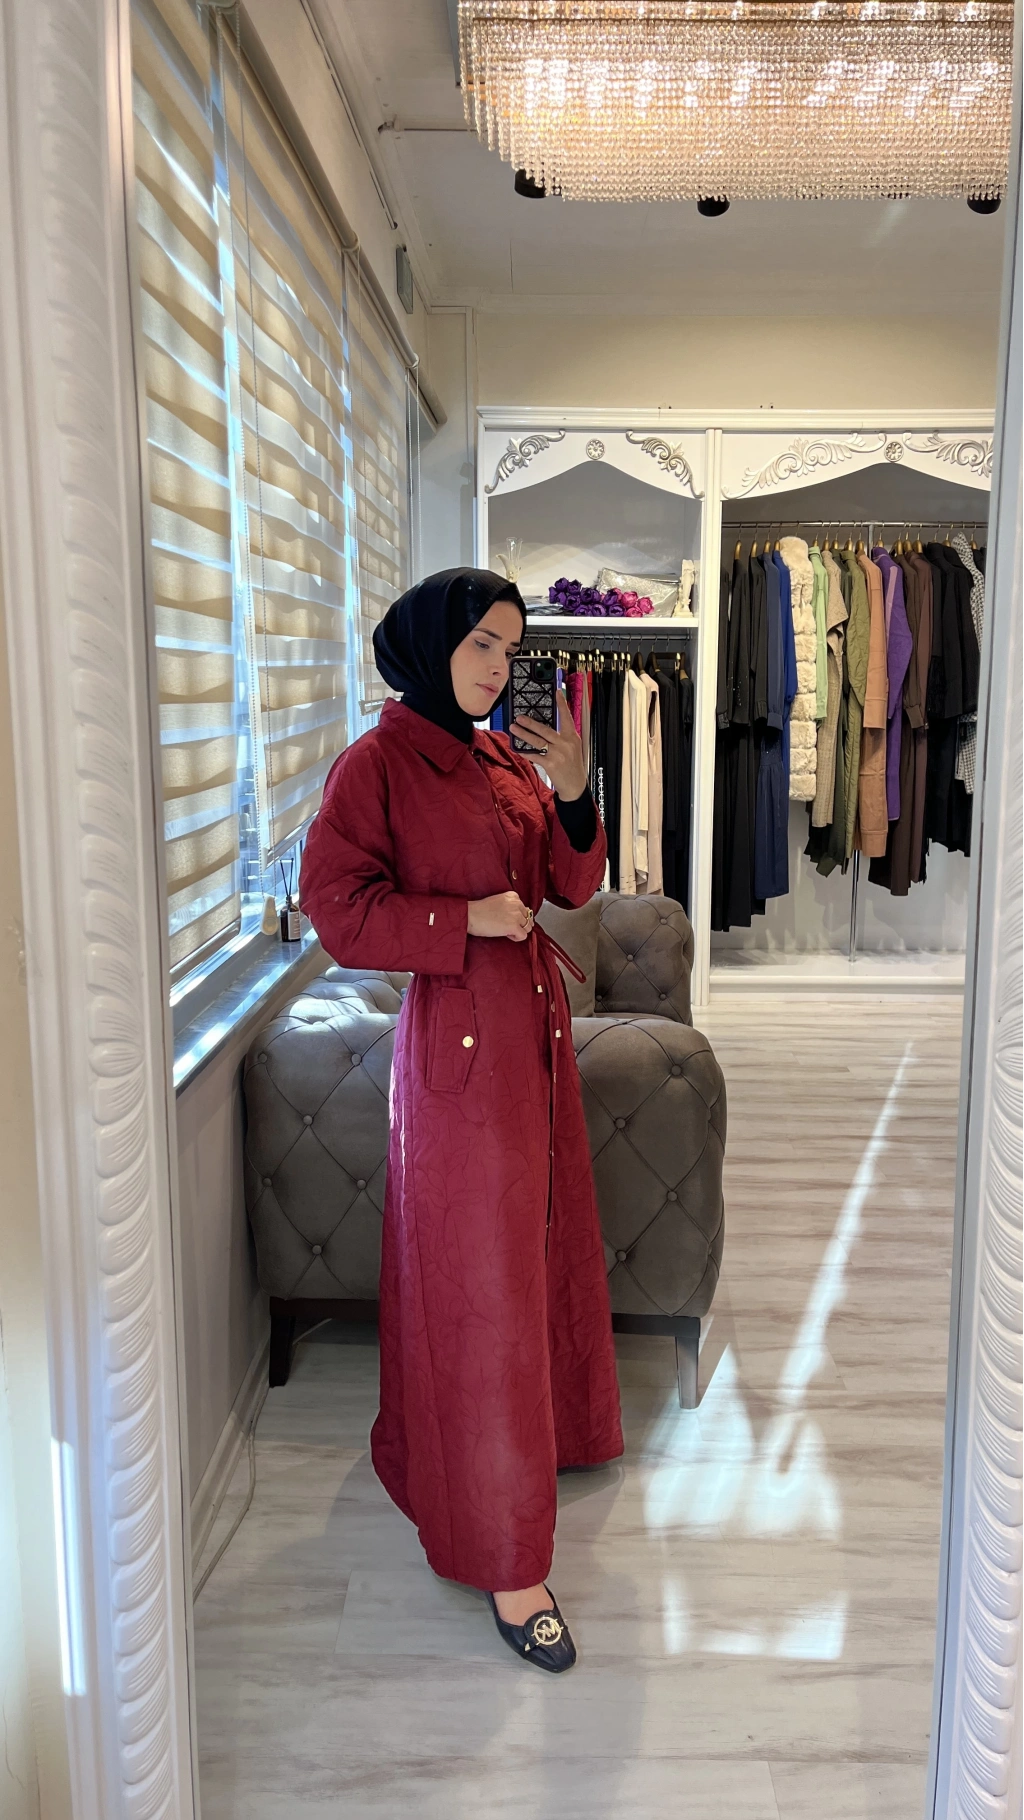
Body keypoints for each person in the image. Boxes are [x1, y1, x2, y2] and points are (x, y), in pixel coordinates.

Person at [300, 568, 623, 1673]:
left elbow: (568, 884)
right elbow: (337, 908)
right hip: (458, 1058)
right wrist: (461, 919)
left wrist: (573, 793)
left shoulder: (500, 757)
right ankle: (505, 1552)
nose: (496, 665)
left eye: (509, 647)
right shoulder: (377, 765)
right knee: (480, 1292)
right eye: (481, 641)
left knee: (537, 1258)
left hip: (531, 1040)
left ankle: (538, 1447)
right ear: (428, 643)